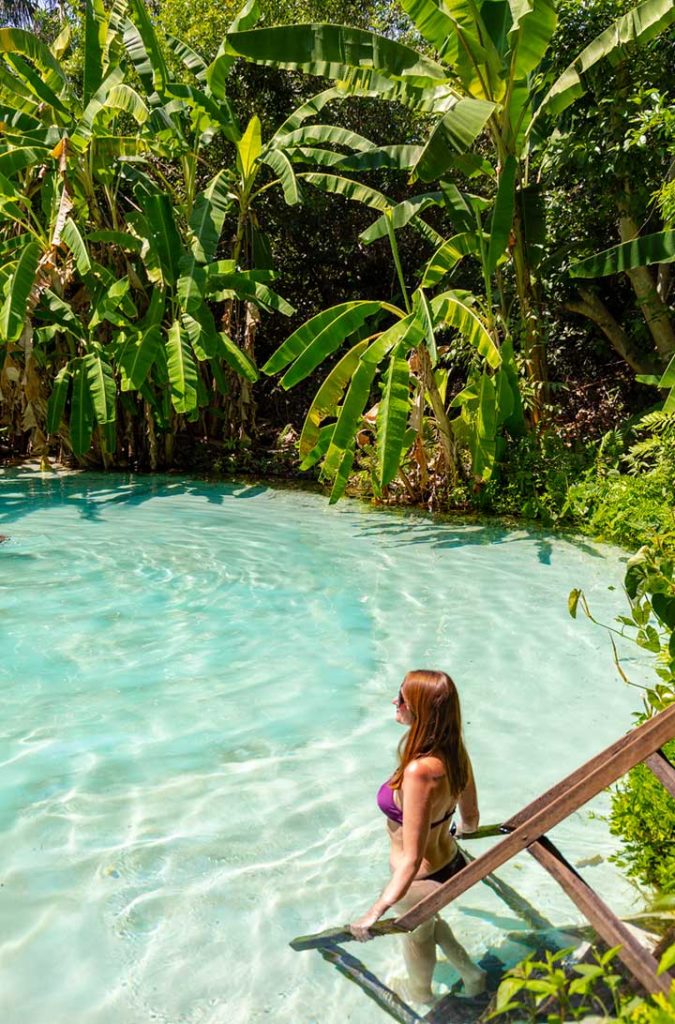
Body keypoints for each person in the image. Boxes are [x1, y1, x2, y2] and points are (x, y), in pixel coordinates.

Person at [350, 669, 486, 1005]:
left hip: (419, 881)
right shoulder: (455, 753)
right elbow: (471, 819)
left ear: (421, 711)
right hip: (453, 865)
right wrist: (453, 832)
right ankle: (471, 973)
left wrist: (375, 911)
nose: (395, 702)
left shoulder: (419, 771)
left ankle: (420, 993)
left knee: (416, 938)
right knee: (428, 924)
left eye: (402, 699)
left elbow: (411, 858)